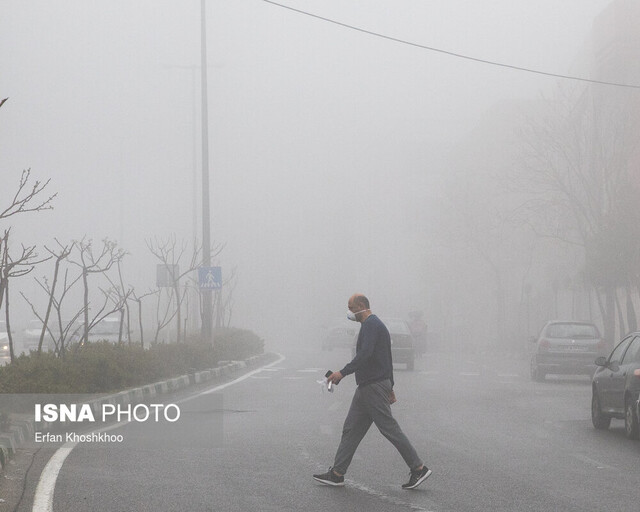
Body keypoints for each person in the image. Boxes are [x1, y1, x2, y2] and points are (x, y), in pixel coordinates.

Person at [312, 293, 431, 490]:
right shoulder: (374, 326)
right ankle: (337, 473)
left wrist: (342, 373)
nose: (349, 312)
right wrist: (390, 386)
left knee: (389, 428)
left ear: (361, 306)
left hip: (373, 386)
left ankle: (418, 467)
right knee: (351, 429)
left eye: (351, 307)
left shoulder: (371, 326)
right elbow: (387, 357)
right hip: (368, 386)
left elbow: (365, 355)